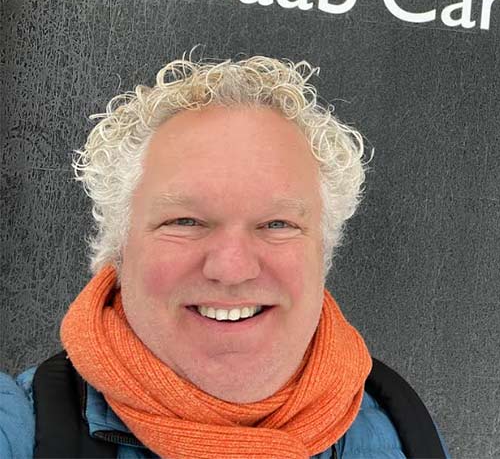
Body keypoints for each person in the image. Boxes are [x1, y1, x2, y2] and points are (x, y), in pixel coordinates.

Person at [0, 55, 446, 458]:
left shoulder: (406, 428)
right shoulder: (20, 430)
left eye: (277, 224)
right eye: (185, 222)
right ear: (118, 249)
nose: (232, 269)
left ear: (322, 253)